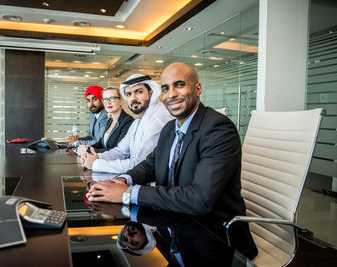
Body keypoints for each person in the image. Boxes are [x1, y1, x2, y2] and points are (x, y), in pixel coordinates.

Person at [85, 62, 257, 258]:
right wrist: (122, 180)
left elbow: (199, 198)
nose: (171, 94)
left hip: (215, 240)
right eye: (166, 88)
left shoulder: (218, 129)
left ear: (198, 89)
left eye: (180, 85)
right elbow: (149, 165)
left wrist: (128, 193)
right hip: (176, 227)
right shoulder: (170, 128)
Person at [81, 74, 173, 173]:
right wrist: (96, 156)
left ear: (151, 94)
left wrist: (96, 164)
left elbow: (138, 164)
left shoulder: (157, 120)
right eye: (128, 94)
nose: (133, 98)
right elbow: (120, 151)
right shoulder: (138, 121)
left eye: (139, 92)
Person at [77, 87, 134, 155]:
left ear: (121, 101)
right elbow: (101, 143)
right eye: (105, 99)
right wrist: (86, 147)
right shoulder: (110, 120)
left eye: (112, 98)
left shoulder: (128, 122)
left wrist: (90, 151)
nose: (108, 102)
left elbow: (118, 151)